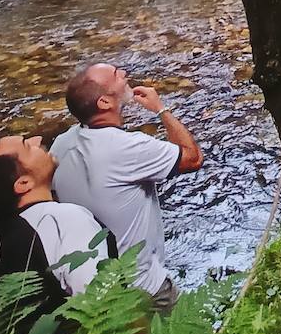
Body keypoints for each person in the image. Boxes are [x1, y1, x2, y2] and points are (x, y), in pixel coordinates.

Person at [50, 64, 202, 313]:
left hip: (96, 290)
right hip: (145, 286)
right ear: (104, 103)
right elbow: (193, 158)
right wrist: (160, 109)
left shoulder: (61, 144)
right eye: (116, 75)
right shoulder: (129, 148)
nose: (124, 75)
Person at [0, 132, 112, 334]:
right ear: (23, 183)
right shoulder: (65, 220)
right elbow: (102, 307)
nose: (38, 139)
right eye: (27, 146)